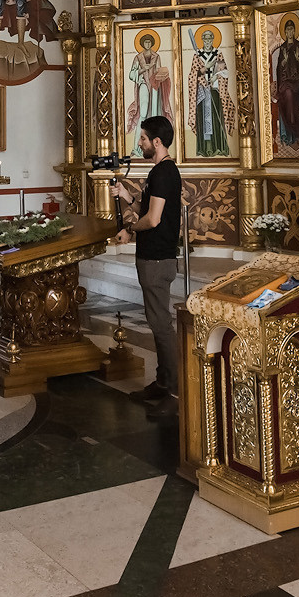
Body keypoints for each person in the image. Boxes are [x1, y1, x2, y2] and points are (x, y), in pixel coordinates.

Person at [113, 113, 182, 407]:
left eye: (143, 138)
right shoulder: (159, 172)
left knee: (161, 324)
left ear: (157, 142)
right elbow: (146, 207)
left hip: (157, 259)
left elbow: (152, 220)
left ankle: (175, 389)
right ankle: (164, 381)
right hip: (153, 258)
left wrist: (129, 229)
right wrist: (126, 196)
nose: (139, 143)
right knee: (157, 322)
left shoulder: (164, 173)